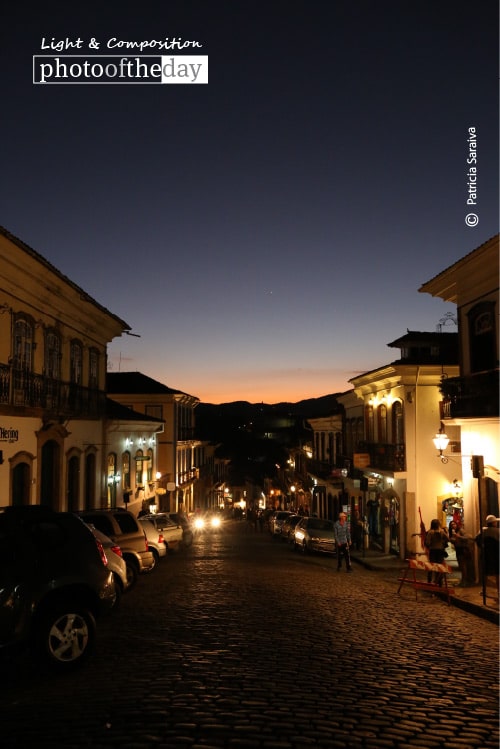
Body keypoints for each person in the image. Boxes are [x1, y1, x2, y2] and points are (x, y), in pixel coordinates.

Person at [475, 515, 499, 597]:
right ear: (493, 523)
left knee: (485, 573)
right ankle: (499, 591)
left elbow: (477, 540)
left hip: (486, 554)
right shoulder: (498, 531)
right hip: (496, 555)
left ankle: (484, 590)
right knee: (498, 574)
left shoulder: (483, 530)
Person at [424, 518, 449, 585]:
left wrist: (429, 545)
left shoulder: (430, 532)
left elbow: (427, 542)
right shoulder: (442, 532)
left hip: (433, 550)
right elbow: (447, 539)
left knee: (431, 566)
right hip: (440, 550)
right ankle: (439, 581)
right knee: (439, 566)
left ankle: (429, 580)